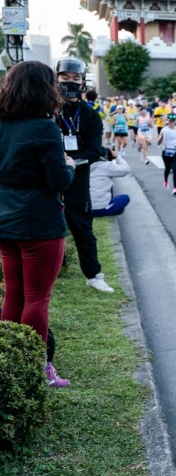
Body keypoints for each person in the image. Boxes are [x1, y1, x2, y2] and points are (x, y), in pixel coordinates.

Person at [0, 61, 77, 387]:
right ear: (46, 88)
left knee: (13, 295)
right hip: (39, 223)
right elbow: (58, 179)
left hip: (4, 219)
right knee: (36, 298)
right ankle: (37, 367)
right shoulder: (45, 127)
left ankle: (9, 361)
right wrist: (70, 166)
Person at [55, 57, 113, 293]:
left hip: (77, 181)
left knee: (83, 229)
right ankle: (52, 271)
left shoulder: (89, 116)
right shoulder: (48, 112)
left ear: (82, 82)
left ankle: (94, 275)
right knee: (48, 229)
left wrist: (71, 162)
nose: (69, 83)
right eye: (64, 78)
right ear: (56, 79)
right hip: (48, 181)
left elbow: (94, 150)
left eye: (75, 79)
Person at [90, 147, 132, 216]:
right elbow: (126, 169)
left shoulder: (87, 165)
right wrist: (117, 156)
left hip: (86, 208)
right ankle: (111, 211)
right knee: (125, 198)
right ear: (106, 156)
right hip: (100, 208)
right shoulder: (106, 166)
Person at [158, 113, 176, 195]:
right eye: (170, 120)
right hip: (167, 151)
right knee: (168, 168)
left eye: (173, 120)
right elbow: (158, 143)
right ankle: (166, 181)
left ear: (175, 121)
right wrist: (161, 138)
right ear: (167, 120)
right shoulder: (164, 130)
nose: (172, 122)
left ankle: (175, 188)